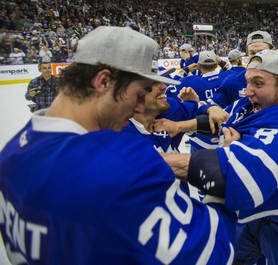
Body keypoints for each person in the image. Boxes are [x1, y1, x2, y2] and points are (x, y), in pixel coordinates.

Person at [0, 26, 237, 265]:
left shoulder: (12, 152)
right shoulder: (120, 167)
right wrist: (225, 176)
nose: (139, 108)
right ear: (103, 81)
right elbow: (214, 253)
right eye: (138, 93)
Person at [160, 50, 278, 264]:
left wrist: (146, 162)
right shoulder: (255, 103)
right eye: (248, 82)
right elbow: (227, 119)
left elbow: (241, 173)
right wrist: (180, 126)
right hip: (254, 214)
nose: (248, 92)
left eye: (258, 84)